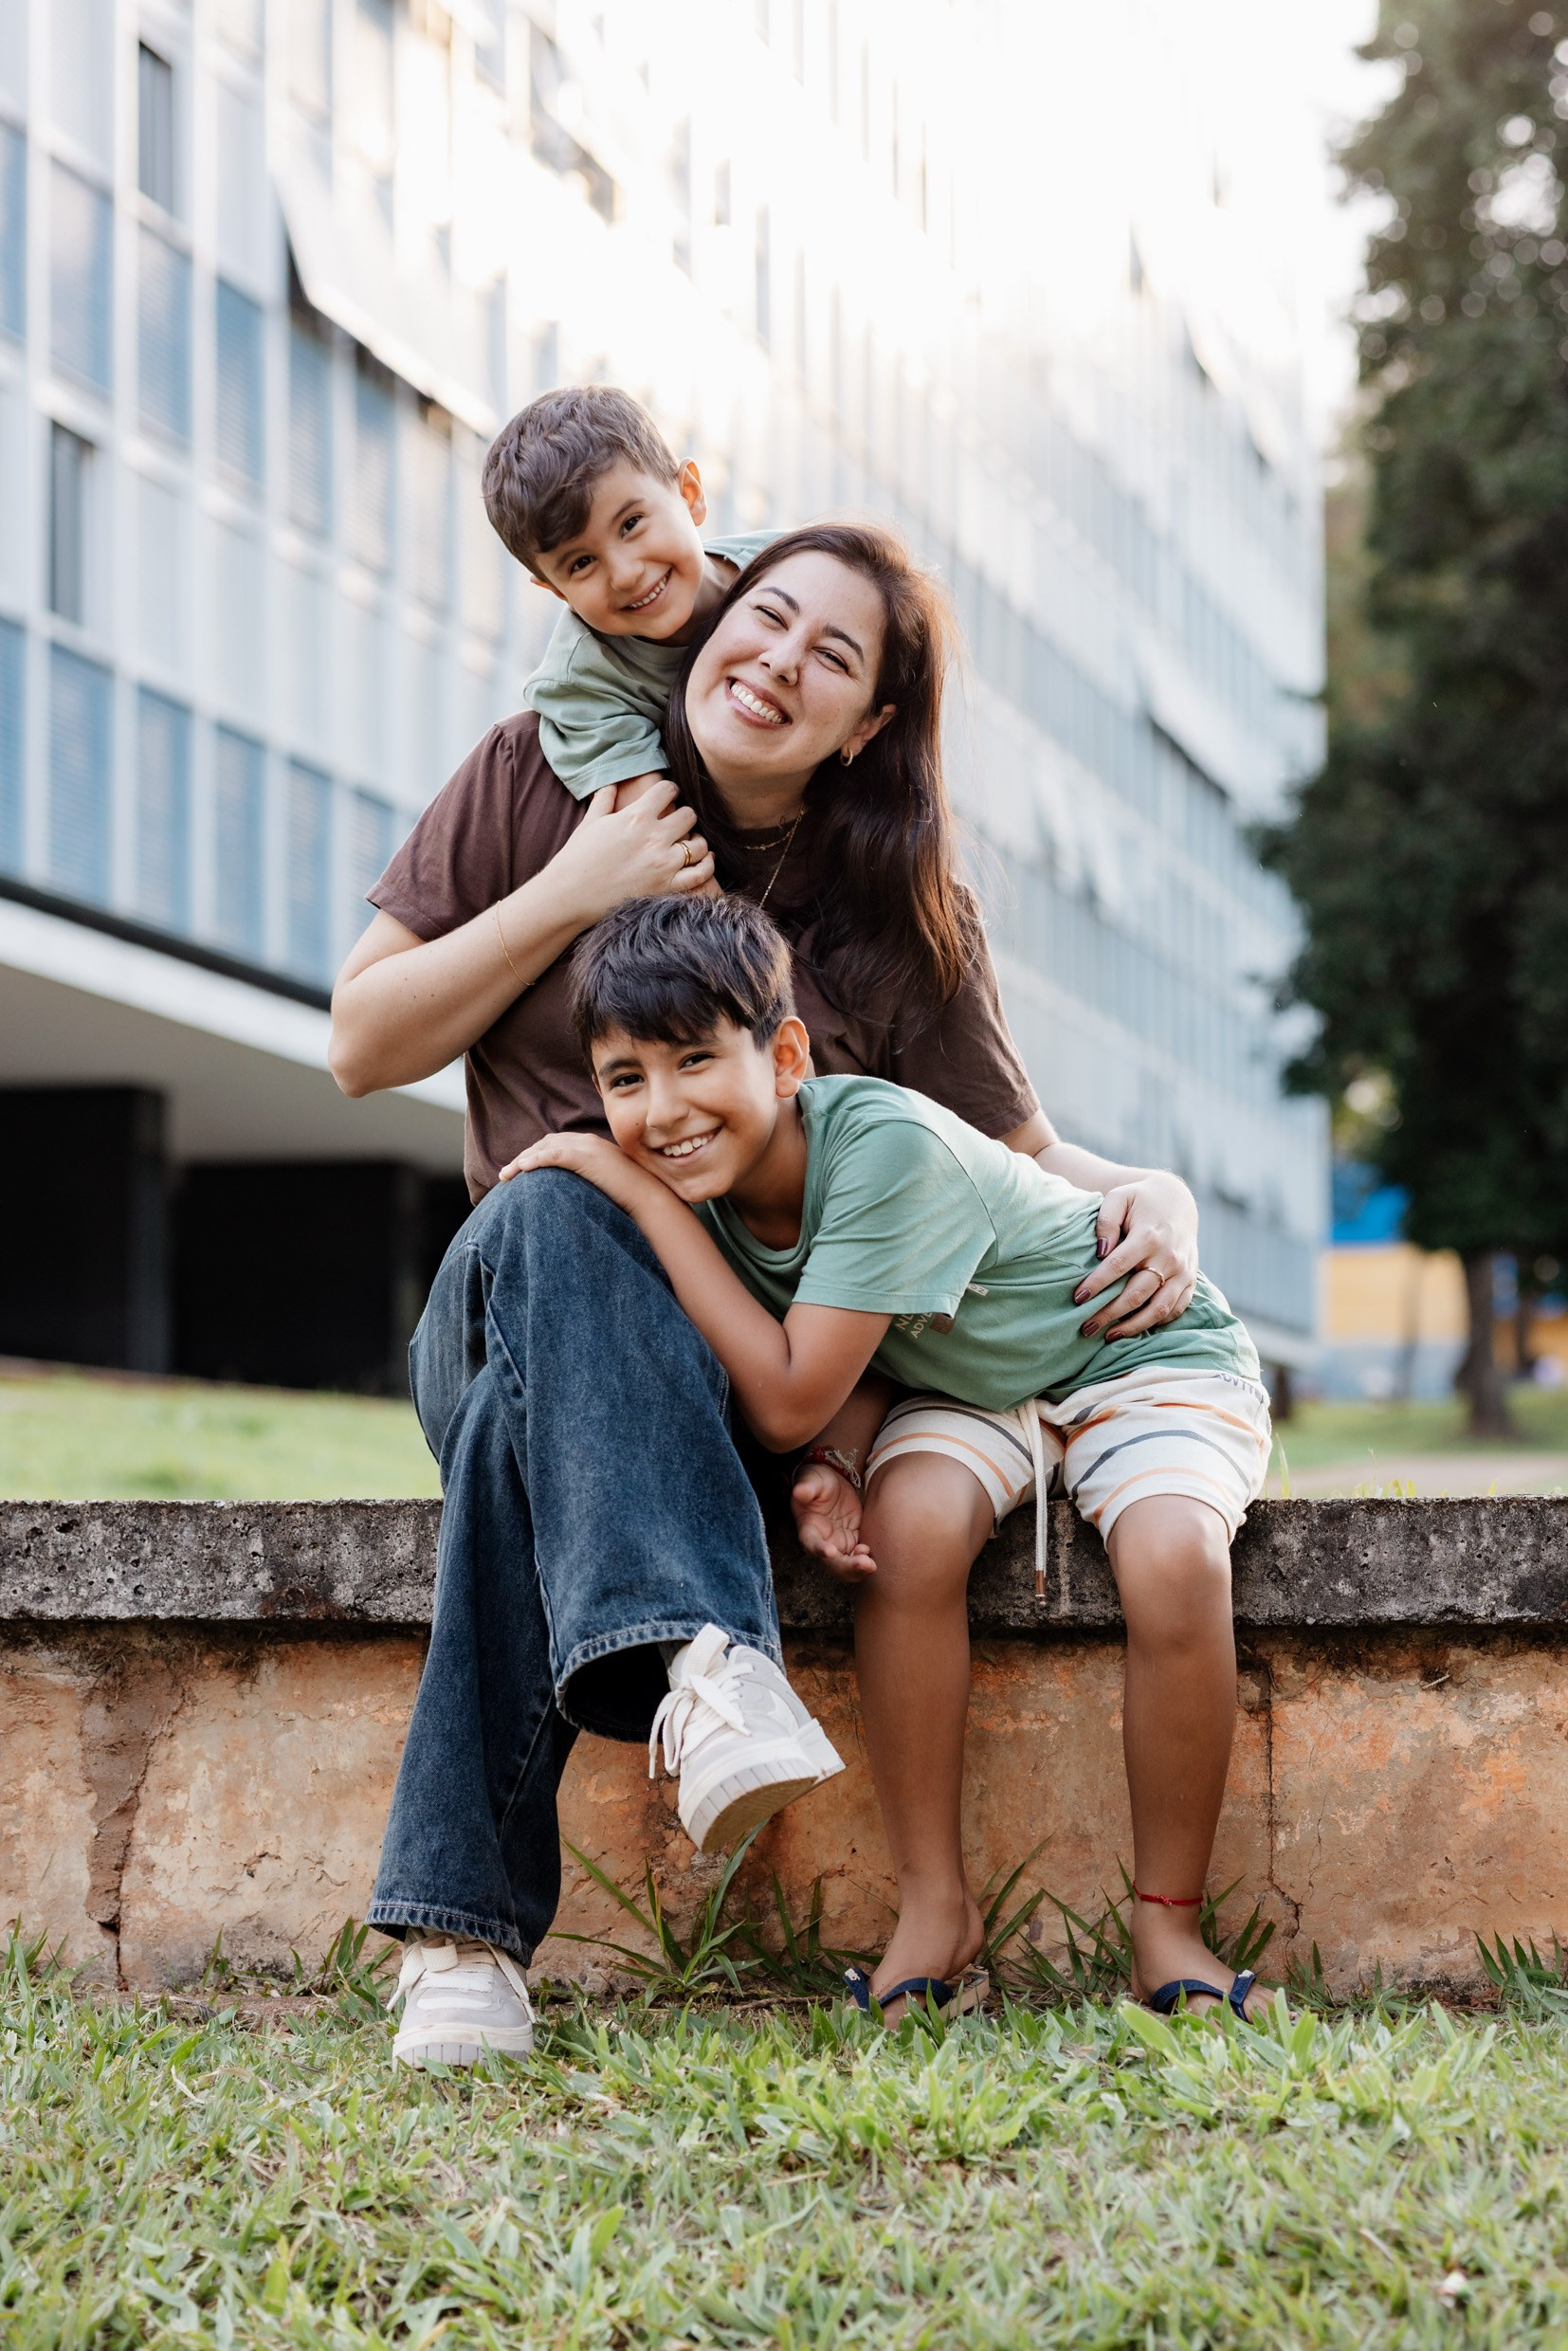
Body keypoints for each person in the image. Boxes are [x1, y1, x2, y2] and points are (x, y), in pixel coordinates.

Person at [328, 519, 1202, 2066]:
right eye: (767, 618)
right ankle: (712, 1661)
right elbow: (361, 1045)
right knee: (554, 1218)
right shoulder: (540, 774)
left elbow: (1013, 1154)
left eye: (832, 656)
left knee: (512, 1460)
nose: (775, 661)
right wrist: (569, 888)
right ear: (716, 620)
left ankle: (459, 1945)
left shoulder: (886, 911)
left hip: (734, 1389)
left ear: (866, 722)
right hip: (508, 1319)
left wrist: (1157, 1194)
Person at [513, 893, 1274, 2026]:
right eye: (624, 1080)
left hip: (1131, 1342)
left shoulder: (879, 1145)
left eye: (691, 1060)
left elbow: (780, 1395)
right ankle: (934, 1906)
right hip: (959, 1381)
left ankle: (1168, 1924)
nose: (661, 1110)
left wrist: (621, 1185)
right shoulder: (713, 1187)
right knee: (905, 1537)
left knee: (1171, 1556)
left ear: (782, 1057)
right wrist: (841, 1458)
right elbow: (870, 1349)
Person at [488, 383, 776, 803]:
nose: (624, 575)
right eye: (581, 563)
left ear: (689, 494)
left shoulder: (792, 569)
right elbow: (653, 829)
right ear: (558, 593)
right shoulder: (584, 681)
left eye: (631, 524)